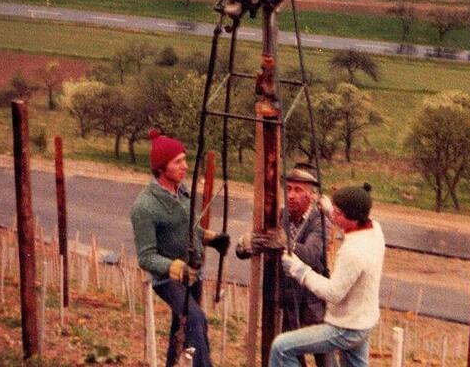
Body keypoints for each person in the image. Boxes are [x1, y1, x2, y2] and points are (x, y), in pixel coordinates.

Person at [130, 129, 230, 367]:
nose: (185, 166)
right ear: (161, 168)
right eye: (178, 162)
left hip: (192, 274)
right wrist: (175, 268)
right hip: (168, 280)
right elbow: (146, 257)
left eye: (185, 160)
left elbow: (189, 229)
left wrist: (211, 238)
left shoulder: (182, 191)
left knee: (181, 329)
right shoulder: (144, 207)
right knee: (196, 320)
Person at [270, 183, 384, 367]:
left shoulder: (354, 251)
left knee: (281, 347)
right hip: (364, 320)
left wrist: (299, 269)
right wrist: (329, 209)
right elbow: (347, 221)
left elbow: (333, 293)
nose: (334, 217)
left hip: (346, 328)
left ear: (353, 217)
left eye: (338, 214)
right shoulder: (374, 229)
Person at [235, 164, 332, 367]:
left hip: (310, 304)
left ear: (312, 196)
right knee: (291, 356)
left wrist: (284, 243)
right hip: (282, 301)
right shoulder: (276, 217)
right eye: (288, 189)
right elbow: (250, 247)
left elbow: (312, 255)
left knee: (325, 358)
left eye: (299, 190)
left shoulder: (319, 221)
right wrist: (247, 244)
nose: (291, 195)